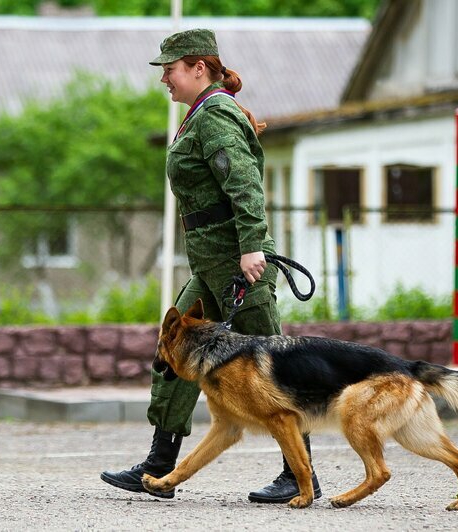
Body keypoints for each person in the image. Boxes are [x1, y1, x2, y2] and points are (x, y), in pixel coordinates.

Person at [99, 28, 321, 504]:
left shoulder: (215, 114)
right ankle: (160, 460)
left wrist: (251, 247)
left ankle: (300, 473)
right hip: (210, 261)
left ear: (199, 68)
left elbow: (244, 185)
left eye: (170, 70)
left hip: (239, 264)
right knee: (172, 348)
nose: (164, 79)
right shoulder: (199, 114)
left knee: (275, 366)